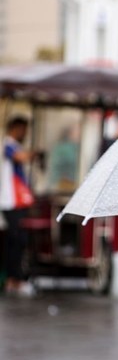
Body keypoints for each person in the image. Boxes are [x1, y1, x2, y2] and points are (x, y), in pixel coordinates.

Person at [2, 117, 40, 297]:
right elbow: (20, 157)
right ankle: (14, 279)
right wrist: (34, 154)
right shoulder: (8, 144)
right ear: (15, 128)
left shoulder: (14, 146)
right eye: (23, 130)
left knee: (18, 241)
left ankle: (14, 279)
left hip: (16, 202)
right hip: (10, 202)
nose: (25, 133)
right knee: (16, 241)